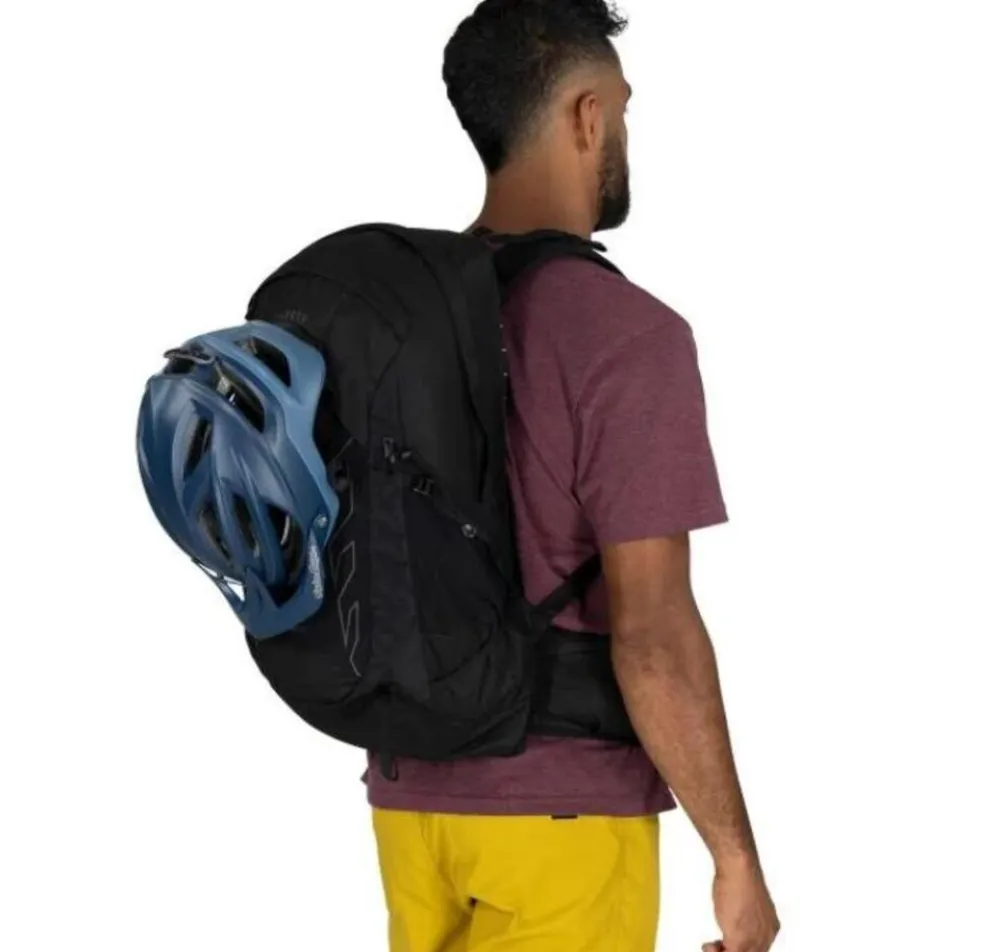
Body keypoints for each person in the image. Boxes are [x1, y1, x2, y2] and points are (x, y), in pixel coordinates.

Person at [368, 2, 780, 950]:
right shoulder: (626, 335)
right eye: (624, 111)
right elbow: (654, 635)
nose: (625, 135)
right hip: (561, 817)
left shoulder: (401, 320)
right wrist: (736, 860)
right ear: (587, 116)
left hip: (409, 799)